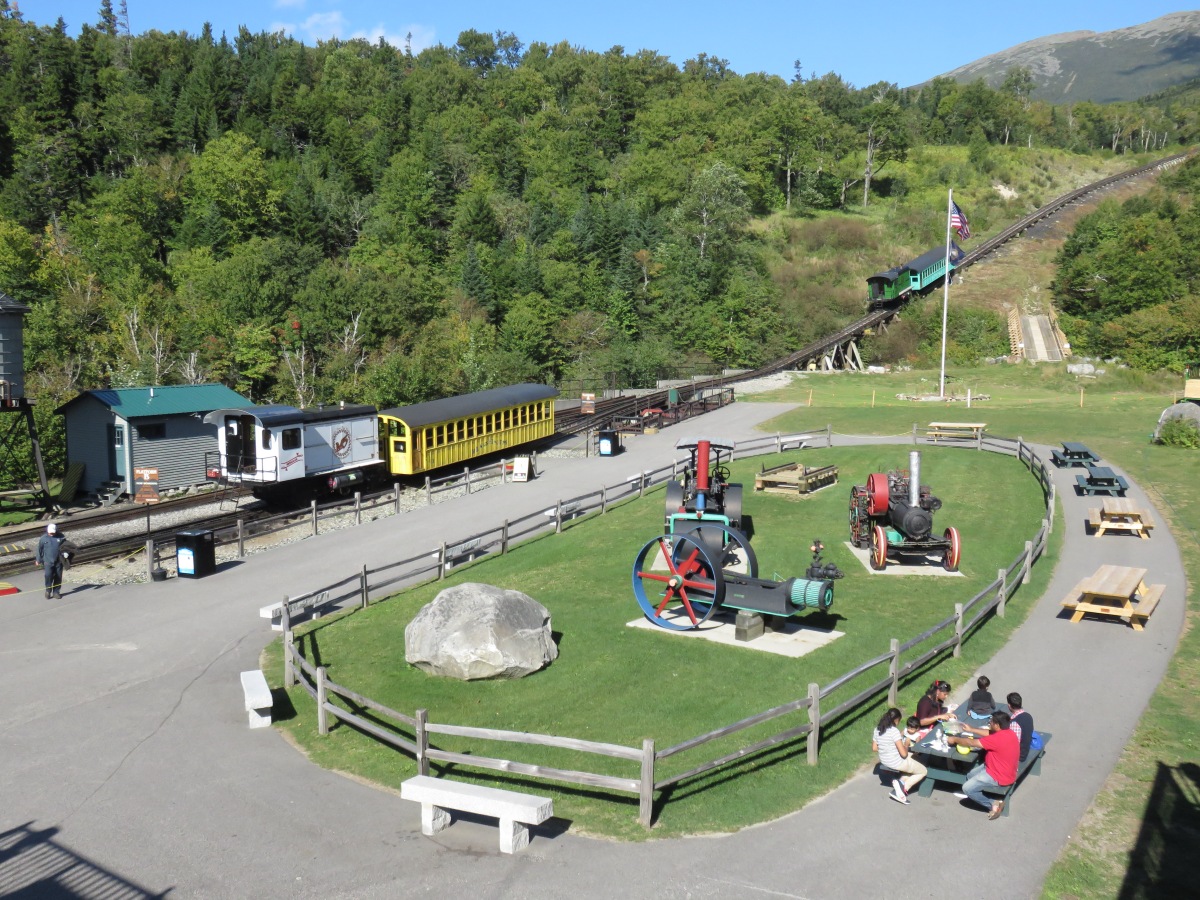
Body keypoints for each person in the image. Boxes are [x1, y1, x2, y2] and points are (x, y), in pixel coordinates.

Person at [947, 710, 1019, 819]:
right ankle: (980, 795)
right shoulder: (1009, 733)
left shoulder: (996, 739)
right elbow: (990, 733)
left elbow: (971, 743)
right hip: (1002, 768)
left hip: (998, 775)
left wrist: (955, 739)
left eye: (991, 722)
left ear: (997, 725)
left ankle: (993, 804)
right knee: (970, 775)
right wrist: (971, 729)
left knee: (967, 788)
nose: (989, 723)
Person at [872, 707, 927, 804]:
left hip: (884, 760)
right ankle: (902, 789)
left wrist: (887, 748)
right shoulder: (894, 731)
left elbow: (874, 748)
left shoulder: (877, 729)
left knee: (913, 761)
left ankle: (900, 782)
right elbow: (904, 754)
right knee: (923, 771)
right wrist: (906, 745)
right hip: (897, 762)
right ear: (896, 720)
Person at [36, 523, 67, 599]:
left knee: (58, 576)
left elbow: (66, 546)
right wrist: (38, 559)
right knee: (48, 575)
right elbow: (39, 549)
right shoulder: (43, 538)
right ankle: (48, 591)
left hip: (58, 561)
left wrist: (66, 553)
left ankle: (56, 592)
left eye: (53, 532)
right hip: (47, 561)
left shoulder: (61, 537)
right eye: (50, 532)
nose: (51, 534)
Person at [1006, 692, 1035, 762]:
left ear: (1009, 706)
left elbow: (1013, 744)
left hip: (1019, 756)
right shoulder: (1028, 716)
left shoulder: (1015, 723)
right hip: (1026, 748)